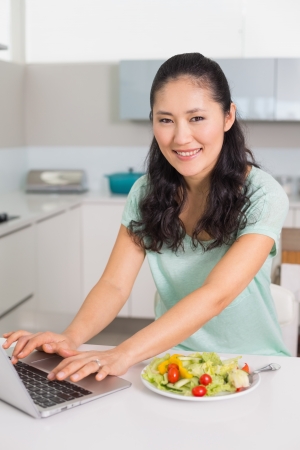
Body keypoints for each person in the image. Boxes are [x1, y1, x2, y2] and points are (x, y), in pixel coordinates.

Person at [2, 53, 290, 384]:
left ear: (228, 117)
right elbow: (114, 284)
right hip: (172, 367)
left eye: (197, 118)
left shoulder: (262, 194)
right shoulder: (146, 192)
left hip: (253, 368)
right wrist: (71, 337)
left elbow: (217, 294)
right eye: (165, 120)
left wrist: (121, 352)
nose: (181, 137)